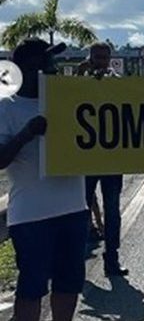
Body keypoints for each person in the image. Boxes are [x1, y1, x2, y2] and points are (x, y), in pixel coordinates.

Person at [0, 39, 88, 321]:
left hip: (73, 209)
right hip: (31, 215)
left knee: (69, 282)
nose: (53, 69)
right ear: (30, 67)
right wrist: (27, 133)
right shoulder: (7, 108)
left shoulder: (70, 102)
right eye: (47, 64)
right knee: (31, 288)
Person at [82, 42, 128, 277]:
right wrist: (82, 77)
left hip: (111, 159)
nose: (100, 61)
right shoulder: (79, 80)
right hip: (85, 159)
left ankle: (112, 258)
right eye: (96, 57)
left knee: (112, 211)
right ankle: (77, 259)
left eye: (104, 57)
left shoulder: (117, 81)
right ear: (90, 58)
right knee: (80, 209)